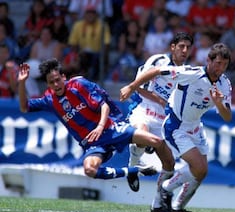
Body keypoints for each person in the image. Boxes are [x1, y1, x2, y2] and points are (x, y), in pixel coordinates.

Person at [17, 58, 174, 192]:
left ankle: (167, 182)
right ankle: (134, 171)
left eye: (58, 80)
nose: (56, 84)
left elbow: (104, 105)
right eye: (51, 82)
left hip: (111, 129)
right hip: (92, 143)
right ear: (47, 84)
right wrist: (22, 83)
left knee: (156, 141)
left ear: (63, 77)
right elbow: (24, 107)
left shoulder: (78, 85)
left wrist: (100, 127)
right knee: (90, 170)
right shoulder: (49, 100)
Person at [120, 43, 232, 212]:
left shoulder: (224, 84)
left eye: (224, 64)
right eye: (217, 63)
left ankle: (174, 207)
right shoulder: (192, 73)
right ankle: (166, 188)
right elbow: (156, 71)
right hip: (176, 126)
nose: (220, 68)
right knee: (198, 167)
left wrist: (219, 104)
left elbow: (227, 116)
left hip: (195, 127)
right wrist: (132, 86)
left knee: (201, 173)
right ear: (208, 61)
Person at [125, 32, 194, 212]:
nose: (184, 51)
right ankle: (133, 166)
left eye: (188, 47)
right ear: (172, 47)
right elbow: (137, 85)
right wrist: (160, 99)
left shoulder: (188, 72)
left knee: (169, 163)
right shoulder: (157, 61)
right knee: (142, 133)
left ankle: (157, 205)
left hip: (165, 119)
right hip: (144, 108)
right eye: (181, 46)